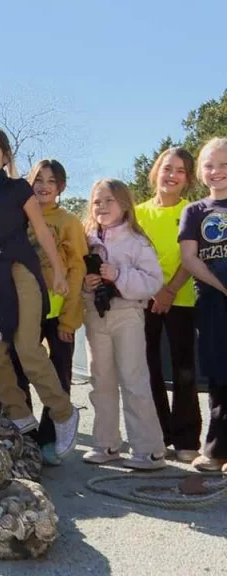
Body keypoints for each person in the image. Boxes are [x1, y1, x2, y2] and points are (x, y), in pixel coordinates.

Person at [0, 127, 79, 459]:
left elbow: (41, 232)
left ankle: (64, 413)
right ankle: (20, 415)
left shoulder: (19, 188)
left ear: (5, 157)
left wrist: (60, 272)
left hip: (20, 269)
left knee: (26, 348)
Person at [81, 178, 165, 469]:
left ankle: (149, 449)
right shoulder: (87, 238)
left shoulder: (137, 240)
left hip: (127, 314)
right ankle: (106, 444)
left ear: (125, 205)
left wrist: (118, 275)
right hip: (96, 314)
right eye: (97, 201)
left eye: (109, 200)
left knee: (133, 379)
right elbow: (75, 275)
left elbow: (154, 281)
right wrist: (87, 282)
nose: (102, 206)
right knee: (100, 380)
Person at [19, 159, 88, 465]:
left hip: (60, 311)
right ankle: (25, 436)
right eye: (38, 180)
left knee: (59, 373)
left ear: (61, 186)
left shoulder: (69, 221)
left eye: (51, 181)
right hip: (26, 308)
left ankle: (51, 437)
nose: (44, 186)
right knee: (23, 368)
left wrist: (71, 318)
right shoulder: (20, 217)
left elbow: (76, 269)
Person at [135, 147, 201, 463]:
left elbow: (193, 257)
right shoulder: (136, 213)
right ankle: (157, 435)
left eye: (179, 170)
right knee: (149, 370)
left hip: (183, 299)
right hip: (143, 300)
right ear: (156, 171)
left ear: (187, 179)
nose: (171, 175)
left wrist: (170, 291)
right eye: (166, 168)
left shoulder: (195, 211)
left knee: (184, 370)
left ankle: (187, 439)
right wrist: (152, 291)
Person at [179, 137, 227, 473]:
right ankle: (216, 450)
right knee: (219, 374)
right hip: (212, 301)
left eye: (224, 165)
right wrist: (222, 286)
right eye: (209, 165)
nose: (217, 171)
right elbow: (189, 258)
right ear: (200, 171)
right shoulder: (194, 211)